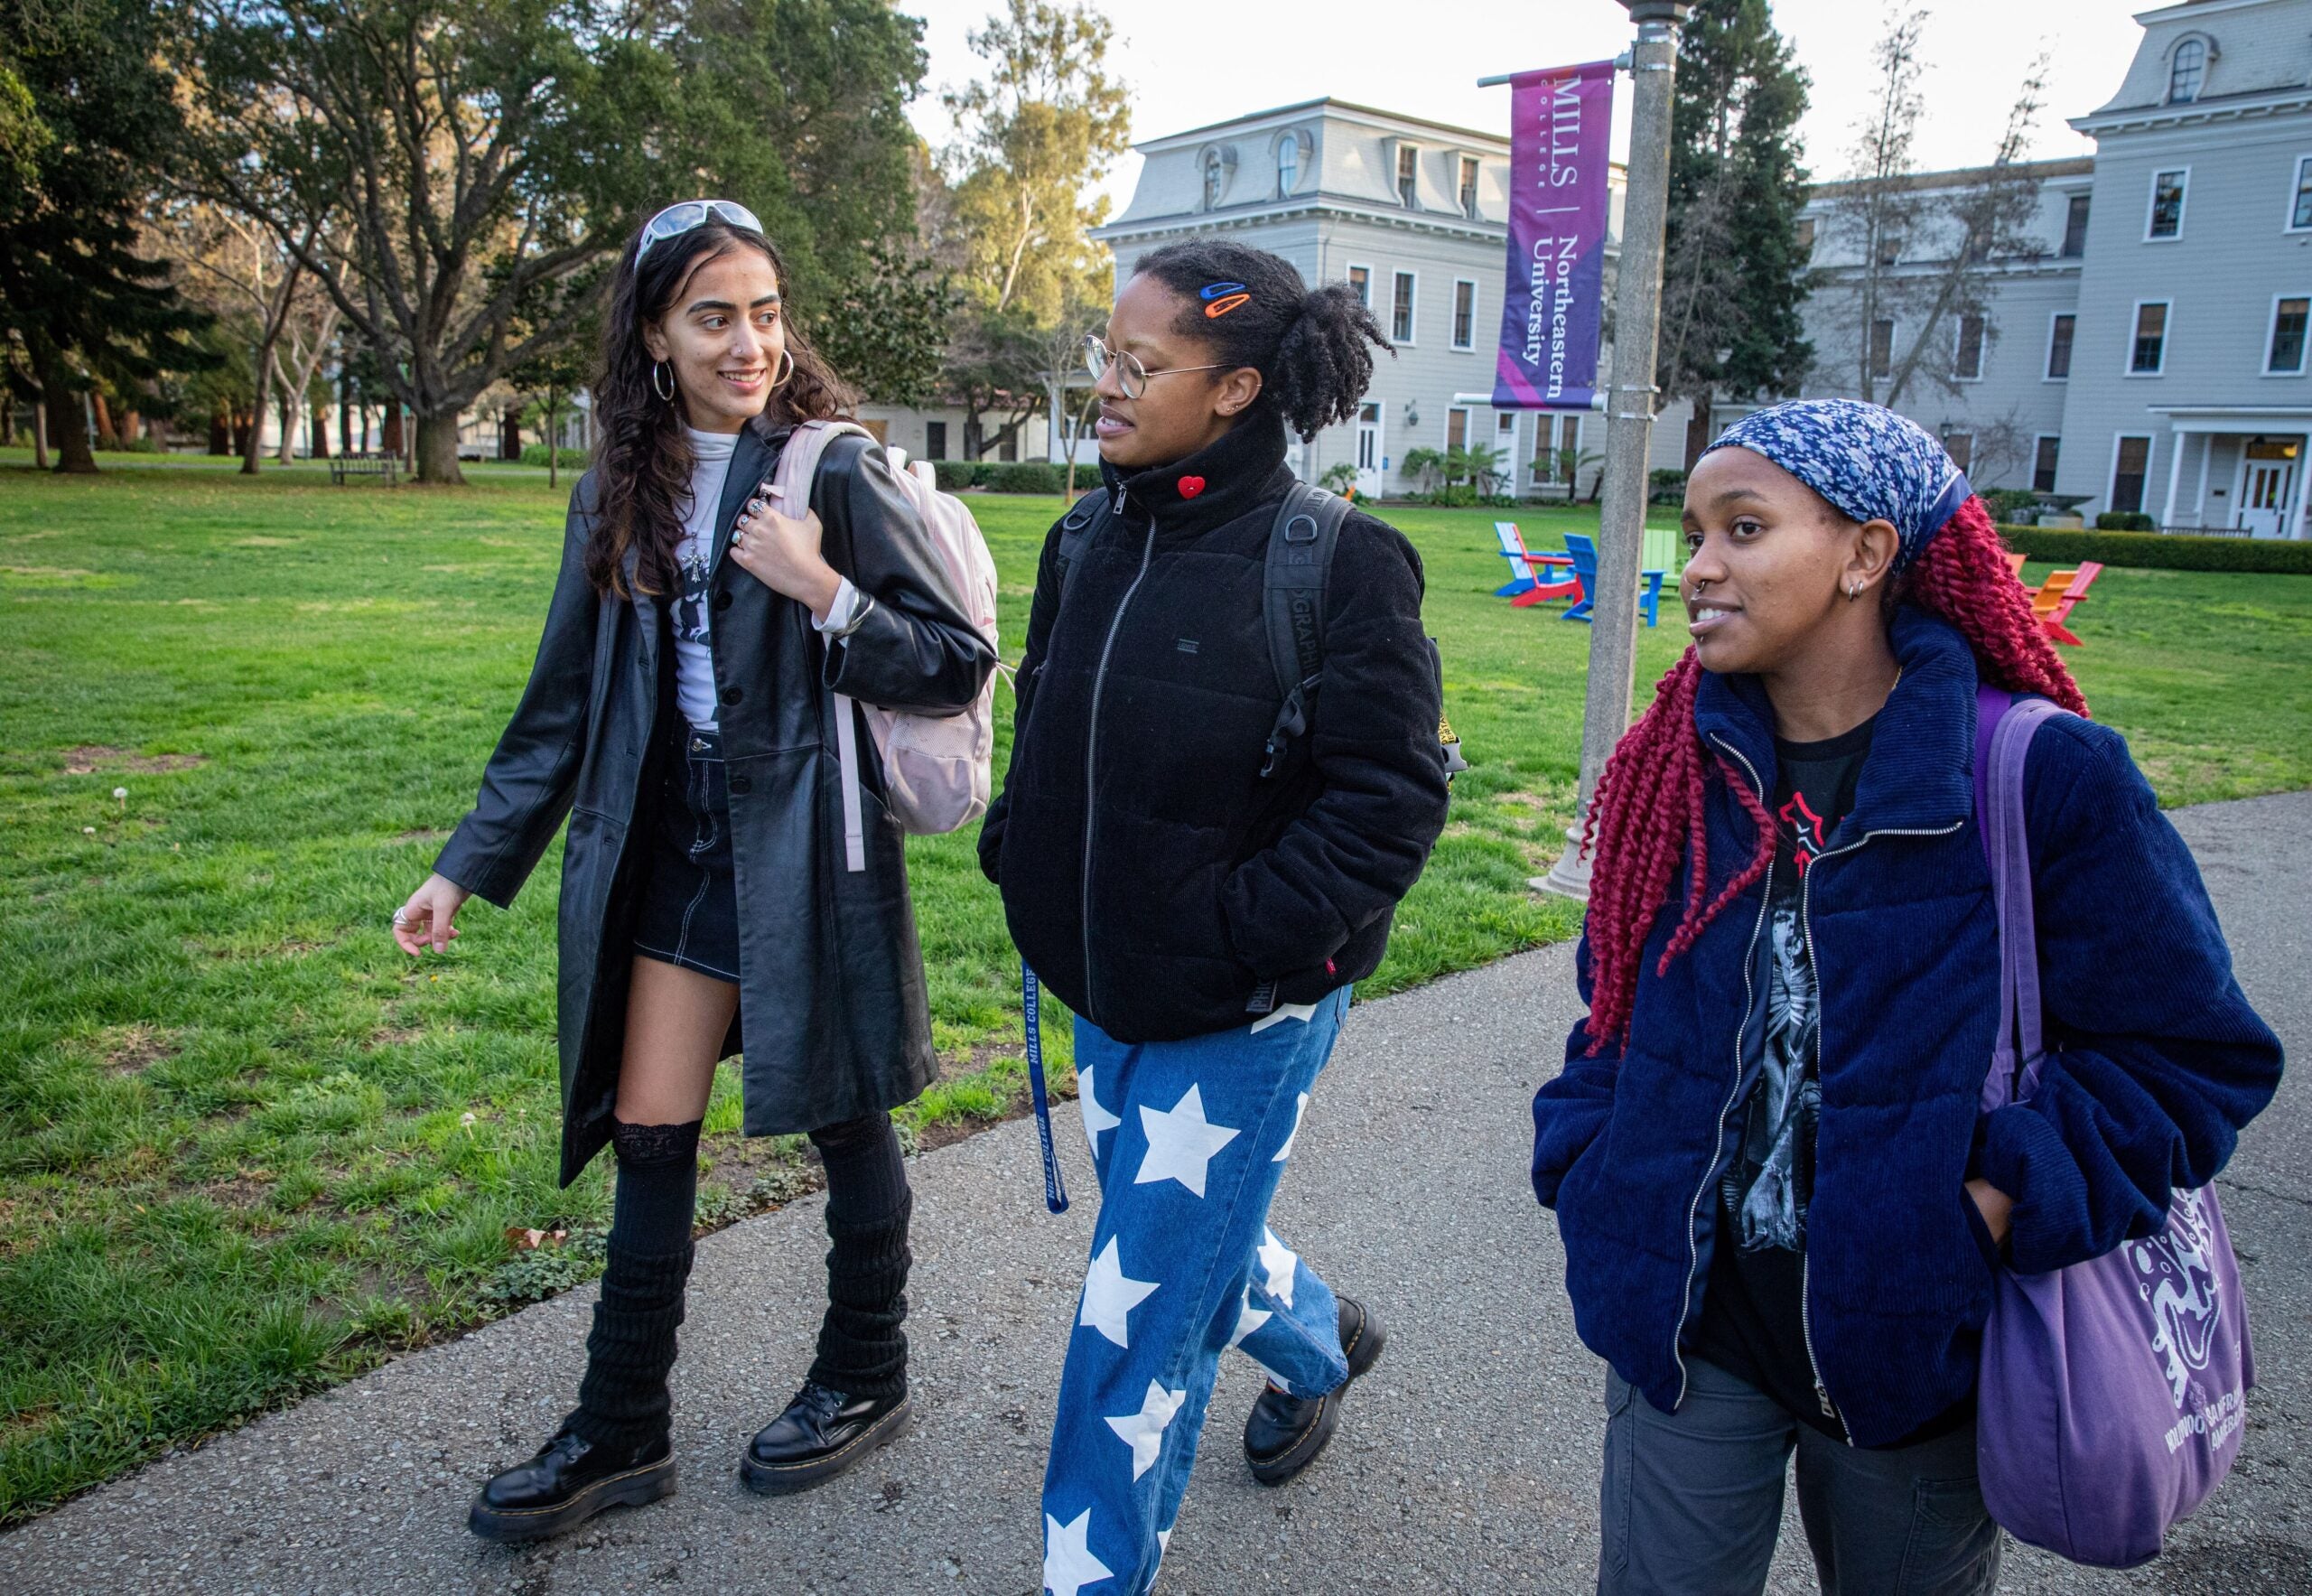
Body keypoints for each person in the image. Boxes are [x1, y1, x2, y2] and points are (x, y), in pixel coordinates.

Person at [1530, 398, 2282, 1594]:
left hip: (1910, 1349)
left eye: (1743, 528)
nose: (1701, 566)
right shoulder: (1676, 767)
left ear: (1867, 555)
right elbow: (1612, 1007)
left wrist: (1985, 1211)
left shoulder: (2042, 775)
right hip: (1685, 1328)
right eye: (1694, 531)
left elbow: (2190, 1058)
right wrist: (1590, 1161)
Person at [391, 199, 995, 1542]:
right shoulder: (617, 485)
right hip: (676, 847)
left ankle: (866, 1370)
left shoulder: (832, 474)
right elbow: (560, 703)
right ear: (656, 334)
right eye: (715, 317)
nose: (749, 344)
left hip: (807, 846)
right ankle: (622, 1427)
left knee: (843, 1113)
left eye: (766, 313)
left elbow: (954, 660)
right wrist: (463, 867)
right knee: (651, 1134)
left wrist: (822, 589)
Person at [978, 239, 1452, 1594]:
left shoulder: (1343, 562)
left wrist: (1251, 935)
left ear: (1237, 390)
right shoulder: (1084, 534)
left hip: (1246, 1003)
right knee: (1169, 1238)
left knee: (1131, 1330)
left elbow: (1389, 801)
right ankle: (1315, 1342)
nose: (1105, 387)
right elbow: (1051, 715)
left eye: (1141, 365)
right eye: (1105, 358)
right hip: (1096, 975)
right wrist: (1024, 853)